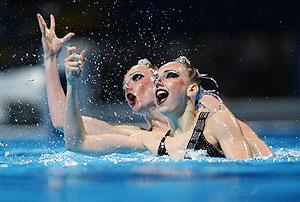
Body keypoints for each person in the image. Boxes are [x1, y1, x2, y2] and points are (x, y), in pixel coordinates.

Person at [37, 13, 272, 158]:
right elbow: (64, 125)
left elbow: (252, 154)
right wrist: (52, 63)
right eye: (124, 83)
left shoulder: (207, 107)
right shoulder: (143, 138)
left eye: (137, 77)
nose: (128, 86)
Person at [154, 56, 273, 159]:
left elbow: (245, 171)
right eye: (156, 78)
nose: (158, 81)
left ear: (192, 89)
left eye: (170, 75)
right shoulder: (160, 140)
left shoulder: (217, 122)